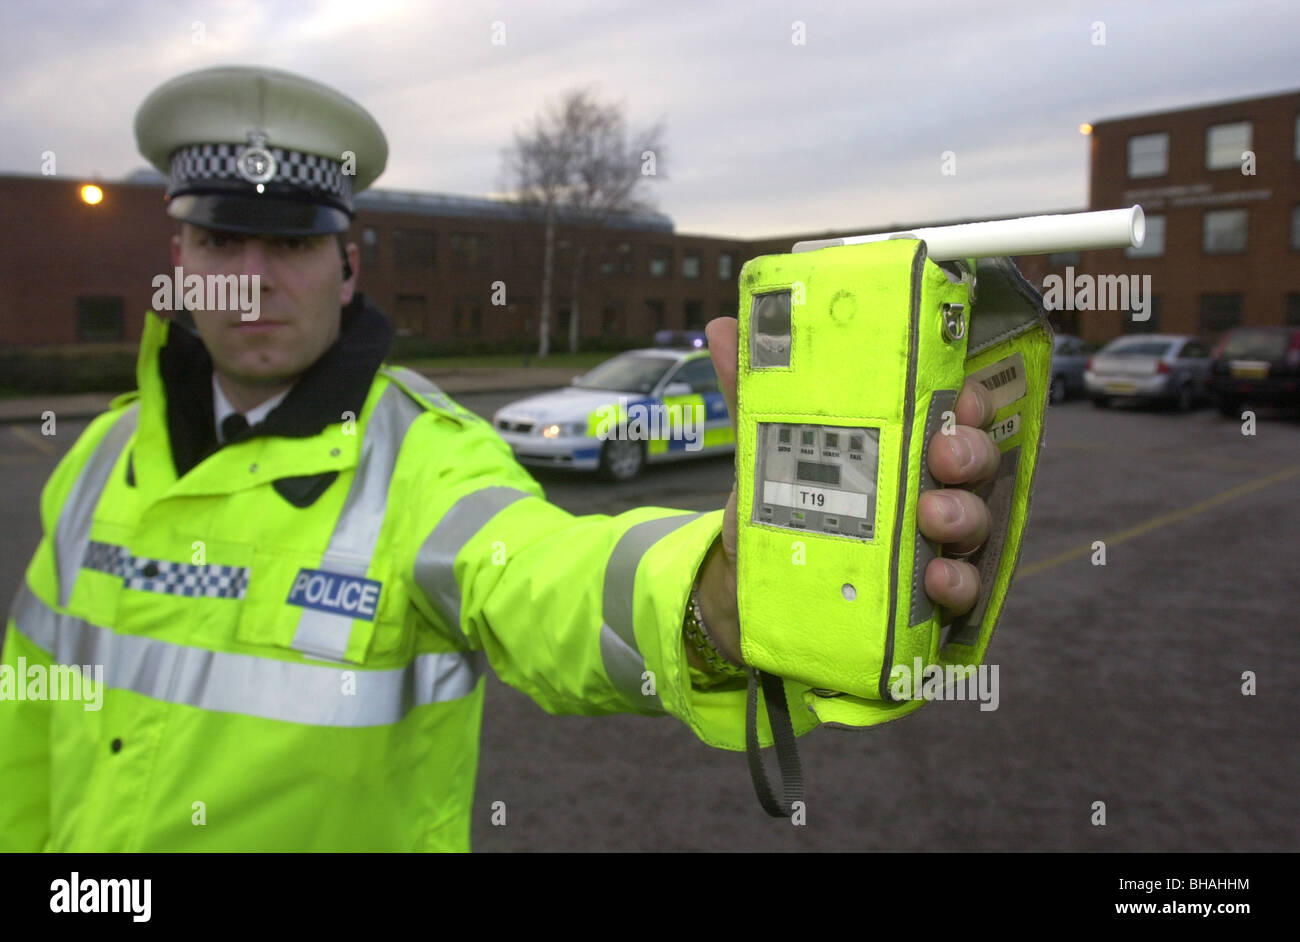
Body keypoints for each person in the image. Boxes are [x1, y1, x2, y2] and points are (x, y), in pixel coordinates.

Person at [0, 65, 1001, 851]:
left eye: (291, 244)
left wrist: (715, 595)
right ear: (180, 263)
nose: (254, 280)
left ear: (346, 269)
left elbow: (544, 578)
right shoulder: (97, 455)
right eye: (222, 241)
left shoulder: (428, 463)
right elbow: (25, 725)